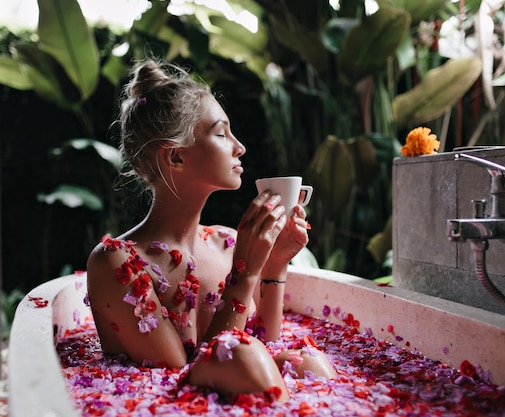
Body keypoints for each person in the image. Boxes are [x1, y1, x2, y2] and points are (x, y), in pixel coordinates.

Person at [87, 59, 337, 403]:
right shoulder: (115, 263)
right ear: (175, 157)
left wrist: (276, 263)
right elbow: (176, 380)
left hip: (242, 394)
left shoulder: (226, 242)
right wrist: (245, 273)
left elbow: (262, 341)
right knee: (245, 357)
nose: (240, 146)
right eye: (221, 133)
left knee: (309, 361)